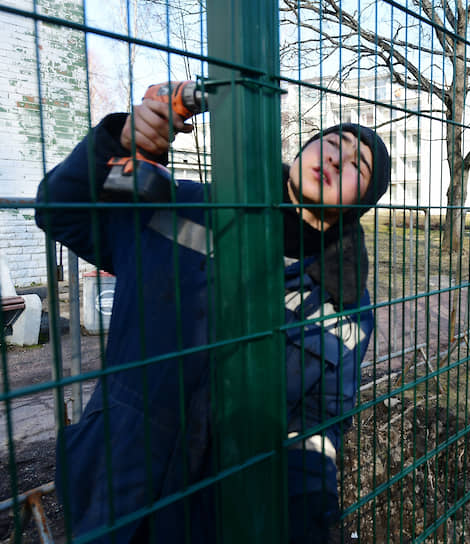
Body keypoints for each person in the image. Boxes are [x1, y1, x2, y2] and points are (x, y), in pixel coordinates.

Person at [36, 97, 389, 543]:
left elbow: (324, 420)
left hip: (224, 513)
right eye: (332, 143)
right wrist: (121, 138)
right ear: (305, 149)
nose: (337, 158)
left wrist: (307, 514)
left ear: (362, 202)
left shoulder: (348, 308)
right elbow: (58, 209)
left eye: (359, 165)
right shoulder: (185, 202)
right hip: (114, 486)